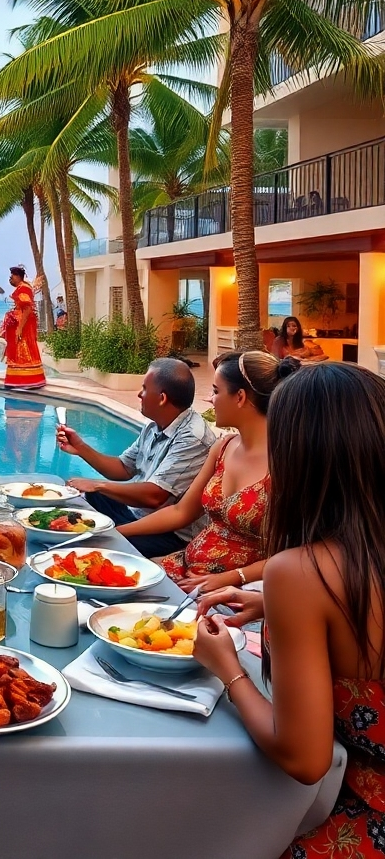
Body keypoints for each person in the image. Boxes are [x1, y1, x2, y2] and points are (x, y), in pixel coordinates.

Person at [193, 363, 385, 857]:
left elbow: (304, 758)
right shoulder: (354, 564)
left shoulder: (302, 572)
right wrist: (266, 604)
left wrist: (226, 670)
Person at [116, 351, 299, 588]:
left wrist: (229, 579)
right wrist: (119, 531)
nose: (209, 400)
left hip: (231, 587)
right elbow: (181, 511)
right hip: (186, 566)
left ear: (240, 397)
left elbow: (292, 552)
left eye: (215, 391)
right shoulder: (222, 448)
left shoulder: (286, 465)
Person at [57, 358, 217, 558]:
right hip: (137, 516)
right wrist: (80, 447)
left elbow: (155, 496)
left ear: (162, 398)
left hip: (169, 535)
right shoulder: (154, 426)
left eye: (144, 388)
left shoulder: (192, 438)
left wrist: (98, 485)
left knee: (96, 541)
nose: (139, 394)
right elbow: (123, 468)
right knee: (84, 500)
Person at [2, 265, 45, 390]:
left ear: (17, 276)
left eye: (12, 277)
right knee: (23, 347)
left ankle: (25, 380)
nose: (10, 279)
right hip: (24, 321)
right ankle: (25, 379)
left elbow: (26, 309)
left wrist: (20, 327)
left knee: (23, 347)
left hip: (24, 323)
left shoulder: (23, 289)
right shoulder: (24, 287)